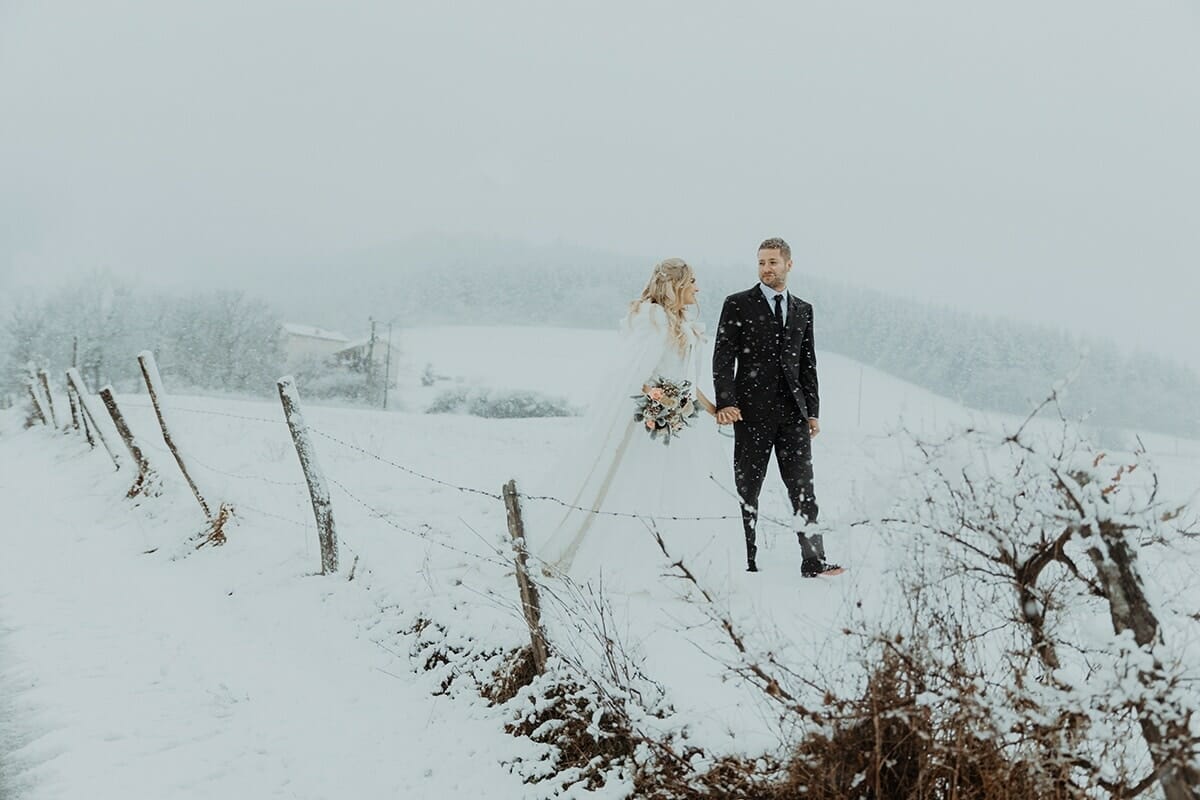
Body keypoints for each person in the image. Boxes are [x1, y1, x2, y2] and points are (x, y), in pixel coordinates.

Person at [530, 258, 740, 589]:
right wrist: (662, 399)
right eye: (693, 281)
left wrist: (713, 409)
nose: (698, 288)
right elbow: (634, 377)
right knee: (639, 489)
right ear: (678, 284)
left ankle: (682, 566)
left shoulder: (680, 323)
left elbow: (685, 379)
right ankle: (630, 563)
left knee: (682, 493)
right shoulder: (655, 323)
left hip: (683, 423)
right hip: (652, 426)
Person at [712, 237, 842, 578]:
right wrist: (727, 401)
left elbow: (807, 363)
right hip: (751, 415)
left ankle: (813, 561)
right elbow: (723, 356)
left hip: (793, 416)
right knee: (747, 489)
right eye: (761, 263)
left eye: (772, 262)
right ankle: (747, 559)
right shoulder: (738, 304)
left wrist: (812, 411)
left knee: (803, 488)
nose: (766, 269)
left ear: (788, 264)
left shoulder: (803, 309)